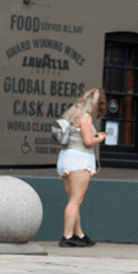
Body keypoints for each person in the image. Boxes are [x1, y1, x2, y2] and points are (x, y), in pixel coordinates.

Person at [54, 87, 106, 248]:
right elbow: (88, 141)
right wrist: (100, 138)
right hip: (80, 160)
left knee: (73, 200)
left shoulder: (71, 115)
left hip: (66, 158)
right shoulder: (85, 118)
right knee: (75, 201)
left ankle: (79, 235)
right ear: (94, 104)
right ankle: (67, 236)